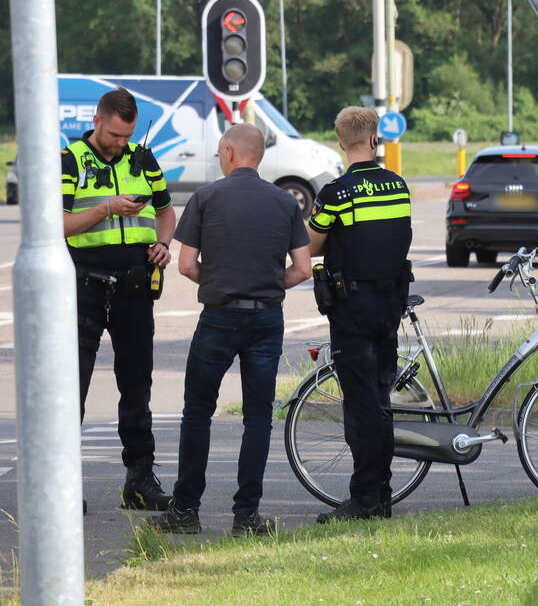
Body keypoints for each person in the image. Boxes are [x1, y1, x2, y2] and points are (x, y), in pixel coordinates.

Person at [152, 123, 311, 537]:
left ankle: (185, 510)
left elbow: (186, 265)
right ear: (259, 156)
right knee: (258, 417)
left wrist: (219, 281)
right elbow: (302, 269)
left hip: (219, 317)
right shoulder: (285, 201)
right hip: (266, 319)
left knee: (197, 411)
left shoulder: (206, 197)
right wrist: (268, 284)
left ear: (228, 152)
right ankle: (246, 516)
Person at [62, 87, 177, 512]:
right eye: (114, 135)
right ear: (96, 121)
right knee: (72, 387)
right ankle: (63, 486)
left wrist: (163, 244)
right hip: (85, 287)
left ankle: (140, 480)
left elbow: (166, 211)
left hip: (134, 288)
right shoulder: (70, 160)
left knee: (137, 385)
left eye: (127, 135)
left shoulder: (143, 160)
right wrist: (106, 208)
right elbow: (56, 223)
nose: (120, 143)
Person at [307, 107, 412, 523]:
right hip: (390, 307)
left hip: (352, 309)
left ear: (340, 142)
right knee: (380, 400)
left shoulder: (337, 193)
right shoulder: (398, 186)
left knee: (361, 404)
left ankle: (365, 499)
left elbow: (312, 244)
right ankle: (381, 494)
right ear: (374, 139)